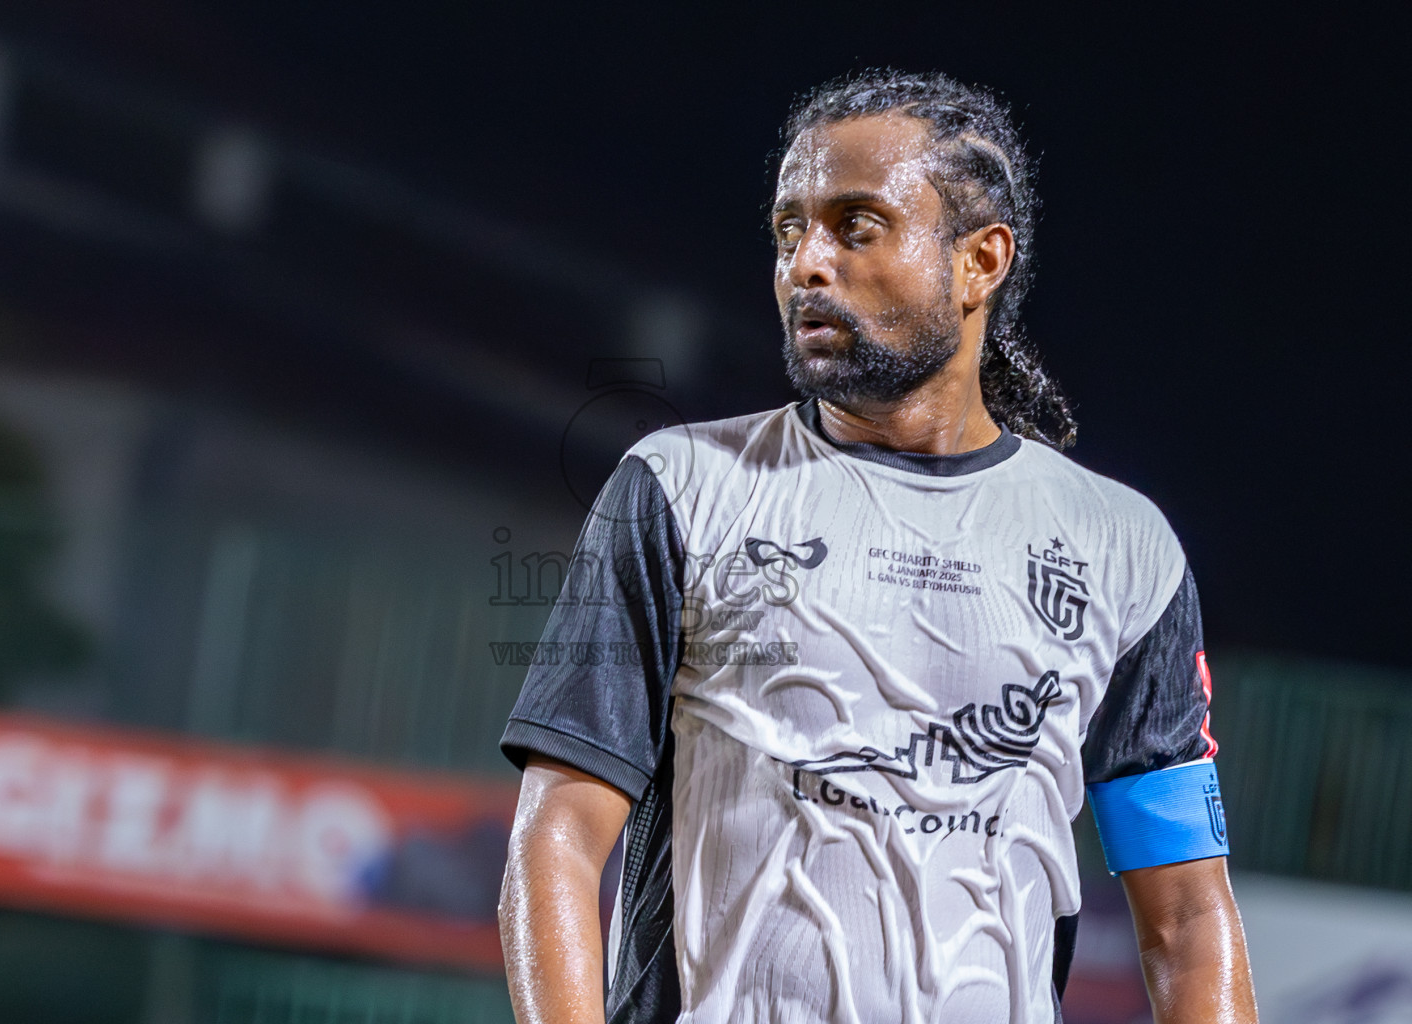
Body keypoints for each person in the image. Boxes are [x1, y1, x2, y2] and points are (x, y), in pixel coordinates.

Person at [497, 69, 1257, 1024]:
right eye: (788, 231)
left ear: (980, 261)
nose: (807, 264)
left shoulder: (1124, 550)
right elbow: (557, 838)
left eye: (856, 227)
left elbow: (1188, 914)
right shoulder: (680, 488)